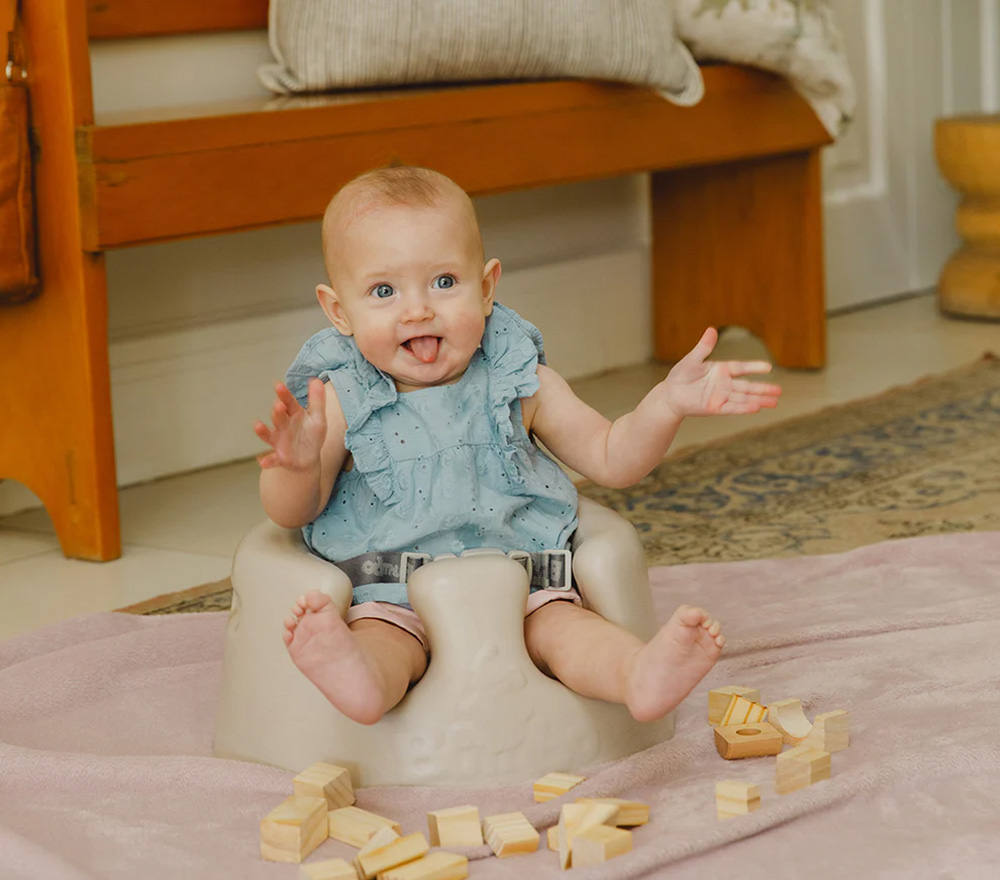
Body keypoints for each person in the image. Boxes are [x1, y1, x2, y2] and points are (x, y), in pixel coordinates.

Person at [254, 165, 781, 727]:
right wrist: (295, 467)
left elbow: (612, 457)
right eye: (384, 291)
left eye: (444, 282)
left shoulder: (518, 380)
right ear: (340, 311)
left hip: (523, 581)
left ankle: (636, 675)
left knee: (567, 631)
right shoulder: (340, 400)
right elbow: (292, 513)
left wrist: (665, 405)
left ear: (486, 288)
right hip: (392, 589)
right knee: (384, 641)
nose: (417, 310)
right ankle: (359, 678)